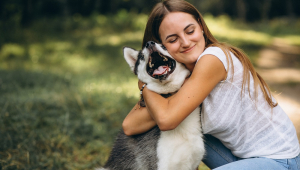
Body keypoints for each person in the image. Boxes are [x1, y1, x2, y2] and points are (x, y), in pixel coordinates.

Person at [122, 0, 300, 169]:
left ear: (200, 26)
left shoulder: (213, 58)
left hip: (279, 161)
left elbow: (166, 120)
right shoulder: (181, 76)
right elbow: (130, 126)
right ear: (163, 48)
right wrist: (149, 82)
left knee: (180, 119)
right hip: (239, 158)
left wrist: (144, 83)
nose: (185, 42)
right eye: (173, 39)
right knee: (186, 127)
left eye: (190, 31)